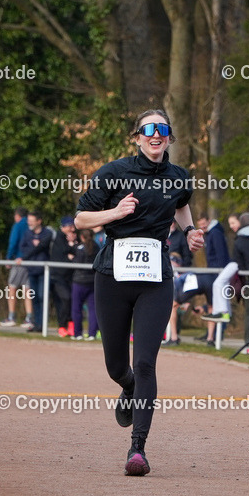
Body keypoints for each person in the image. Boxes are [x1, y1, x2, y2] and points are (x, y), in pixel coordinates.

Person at [75, 109, 203, 477]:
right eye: (148, 129)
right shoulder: (113, 173)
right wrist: (115, 212)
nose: (155, 134)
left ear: (169, 136)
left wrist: (190, 231)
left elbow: (181, 205)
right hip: (112, 276)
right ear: (137, 137)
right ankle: (128, 387)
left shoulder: (178, 177)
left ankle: (138, 449)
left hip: (155, 278)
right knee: (117, 366)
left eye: (162, 128)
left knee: (146, 362)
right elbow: (81, 218)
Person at [18, 211, 53, 333]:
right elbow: (23, 248)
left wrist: (33, 249)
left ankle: (43, 324)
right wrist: (33, 248)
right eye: (29, 221)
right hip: (31, 270)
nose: (30, 223)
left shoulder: (47, 233)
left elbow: (42, 246)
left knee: (43, 296)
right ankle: (37, 324)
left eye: (32, 221)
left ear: (39, 221)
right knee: (35, 297)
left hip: (43, 271)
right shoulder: (27, 233)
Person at [1, 207, 32, 328]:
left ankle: (11, 316)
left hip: (19, 260)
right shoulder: (31, 224)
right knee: (27, 290)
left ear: (17, 216)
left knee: (12, 288)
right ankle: (29, 317)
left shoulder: (18, 226)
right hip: (30, 261)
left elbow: (13, 242)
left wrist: (8, 258)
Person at [70, 228, 99, 341]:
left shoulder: (80, 248)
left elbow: (77, 262)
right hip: (92, 281)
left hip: (79, 282)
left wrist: (71, 258)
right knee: (93, 309)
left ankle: (78, 333)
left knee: (76, 308)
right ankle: (92, 333)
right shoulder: (97, 247)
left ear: (82, 237)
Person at [50, 216, 77, 337]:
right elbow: (65, 251)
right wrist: (71, 245)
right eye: (70, 226)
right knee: (65, 299)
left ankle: (70, 324)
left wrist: (72, 245)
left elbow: (76, 252)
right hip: (58, 276)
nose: (72, 229)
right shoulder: (59, 237)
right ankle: (62, 326)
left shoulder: (74, 237)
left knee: (71, 300)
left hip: (70, 275)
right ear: (64, 227)